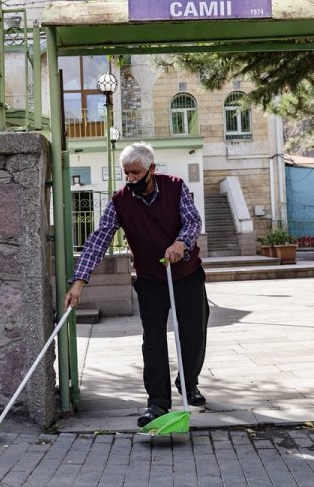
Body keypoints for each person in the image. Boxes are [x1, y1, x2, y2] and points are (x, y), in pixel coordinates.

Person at [65, 142, 209, 427]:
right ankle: (157, 403)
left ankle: (188, 382)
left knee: (193, 334)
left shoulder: (176, 187)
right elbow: (99, 240)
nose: (129, 178)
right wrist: (79, 282)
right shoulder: (120, 201)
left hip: (186, 275)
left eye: (135, 172)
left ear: (151, 170)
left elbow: (193, 221)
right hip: (150, 281)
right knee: (153, 342)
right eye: (125, 173)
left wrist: (181, 242)